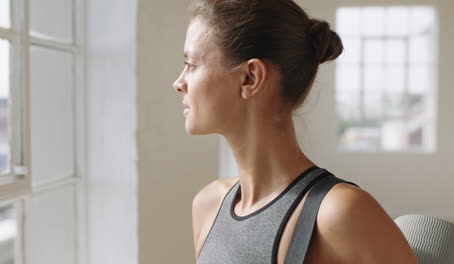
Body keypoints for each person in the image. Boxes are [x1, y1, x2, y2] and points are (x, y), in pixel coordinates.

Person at [173, 0, 418, 263]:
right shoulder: (208, 206)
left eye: (191, 64)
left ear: (250, 77)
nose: (179, 83)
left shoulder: (340, 214)